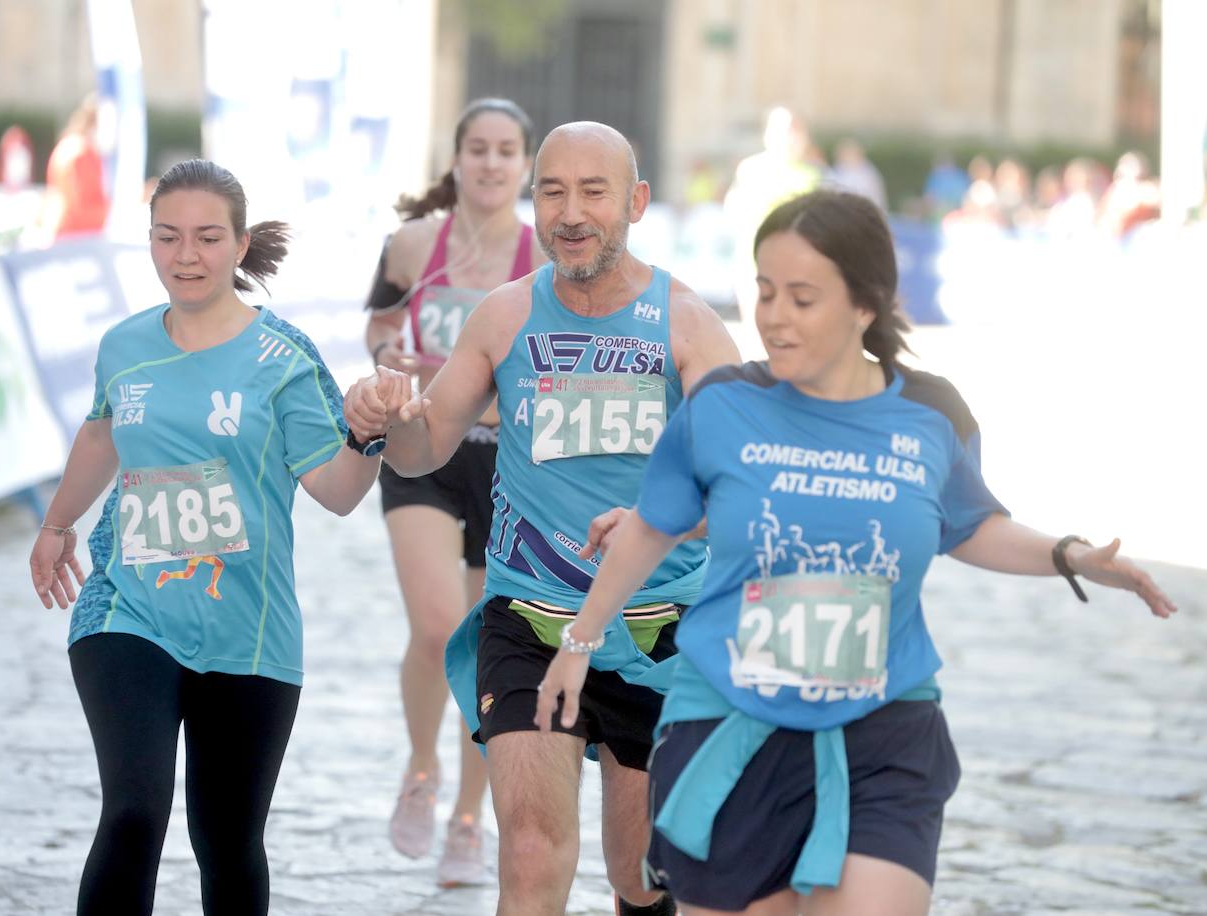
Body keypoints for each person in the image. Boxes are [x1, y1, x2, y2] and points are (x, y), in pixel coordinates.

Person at [533, 189, 1178, 916]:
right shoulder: (720, 407)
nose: (774, 316)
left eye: (802, 298)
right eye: (766, 292)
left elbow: (967, 524)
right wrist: (578, 643)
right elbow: (653, 525)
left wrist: (1071, 556)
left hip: (883, 725)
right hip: (732, 721)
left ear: (865, 305)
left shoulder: (930, 415)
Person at [346, 121, 742, 916]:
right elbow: (424, 452)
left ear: (634, 201)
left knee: (638, 871)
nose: (570, 212)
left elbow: (746, 484)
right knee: (529, 851)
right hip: (531, 616)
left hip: (658, 627)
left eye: (593, 192)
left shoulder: (687, 323)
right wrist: (386, 415)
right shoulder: (503, 316)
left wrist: (663, 521)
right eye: (552, 191)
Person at [26, 158, 391, 916]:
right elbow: (101, 436)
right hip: (127, 611)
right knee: (132, 811)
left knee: (227, 842)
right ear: (150, 243)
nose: (185, 256)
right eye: (167, 238)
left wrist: (366, 437)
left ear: (239, 244)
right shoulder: (125, 347)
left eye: (205, 238)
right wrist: (58, 523)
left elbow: (337, 492)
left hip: (248, 633)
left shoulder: (283, 359)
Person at [362, 97, 545, 886]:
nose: (493, 163)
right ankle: (421, 766)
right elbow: (377, 323)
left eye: (508, 150)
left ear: (525, 164)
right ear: (459, 157)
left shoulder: (544, 259)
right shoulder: (411, 244)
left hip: (509, 467)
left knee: (484, 646)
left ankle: (469, 820)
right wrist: (389, 356)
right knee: (438, 627)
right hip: (422, 452)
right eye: (479, 148)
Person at [723, 106, 820, 321]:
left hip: (798, 267)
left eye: (796, 130)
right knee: (757, 328)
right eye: (785, 130)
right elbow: (733, 209)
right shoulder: (752, 169)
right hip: (755, 264)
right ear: (769, 134)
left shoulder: (813, 174)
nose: (791, 136)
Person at [40, 95, 109, 240]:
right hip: (75, 236)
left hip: (61, 230)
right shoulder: (82, 153)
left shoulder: (67, 145)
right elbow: (82, 204)